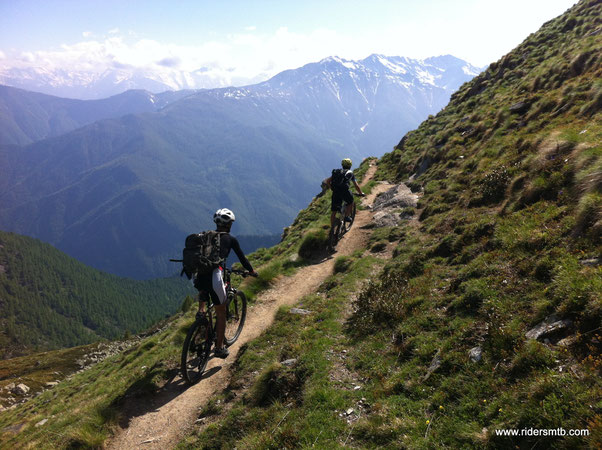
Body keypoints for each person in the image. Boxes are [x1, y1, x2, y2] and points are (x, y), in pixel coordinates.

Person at [194, 208, 257, 359]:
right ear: (229, 224)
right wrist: (252, 271)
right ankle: (219, 348)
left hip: (198, 275)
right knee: (221, 313)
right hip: (215, 276)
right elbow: (243, 259)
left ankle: (200, 312)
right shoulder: (230, 239)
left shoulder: (206, 236)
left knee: (204, 289)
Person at [325, 158, 365, 228]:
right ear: (350, 165)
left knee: (334, 211)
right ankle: (346, 216)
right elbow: (356, 185)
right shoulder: (350, 173)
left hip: (335, 192)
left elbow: (327, 181)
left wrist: (332, 188)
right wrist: (361, 193)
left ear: (342, 165)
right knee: (350, 201)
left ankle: (332, 229)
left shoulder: (337, 172)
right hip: (344, 191)